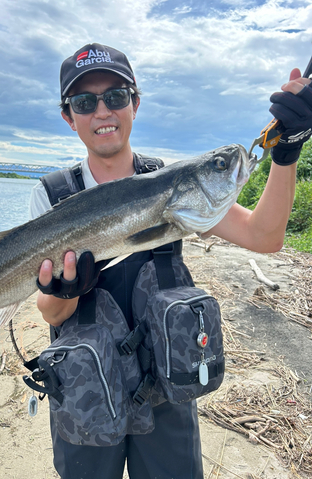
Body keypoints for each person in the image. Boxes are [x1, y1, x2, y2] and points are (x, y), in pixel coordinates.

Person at [29, 43, 312, 479]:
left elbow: (265, 236)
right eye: (85, 102)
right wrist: (63, 293)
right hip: (86, 389)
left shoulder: (177, 187)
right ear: (69, 117)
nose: (103, 111)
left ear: (135, 104)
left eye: (116, 97)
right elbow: (49, 311)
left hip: (165, 385)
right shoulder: (51, 197)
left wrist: (286, 151)